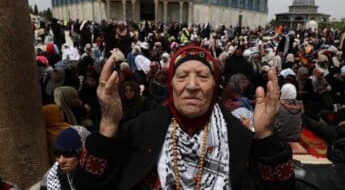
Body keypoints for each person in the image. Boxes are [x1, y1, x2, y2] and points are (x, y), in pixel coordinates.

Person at [75, 46, 294, 189]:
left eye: (202, 76)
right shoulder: (140, 131)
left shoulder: (237, 137)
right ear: (170, 85)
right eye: (181, 76)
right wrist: (108, 125)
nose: (191, 86)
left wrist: (266, 136)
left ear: (215, 86)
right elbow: (86, 185)